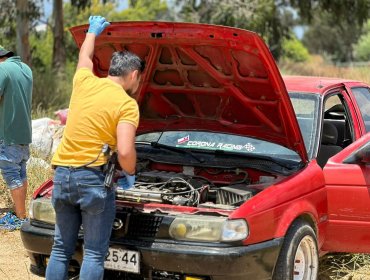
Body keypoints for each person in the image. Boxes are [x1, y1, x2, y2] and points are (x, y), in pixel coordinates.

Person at [45, 16, 145, 280]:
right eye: (139, 80)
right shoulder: (126, 104)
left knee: (60, 249)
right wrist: (131, 172)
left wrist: (92, 32)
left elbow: (85, 59)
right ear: (133, 75)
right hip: (92, 179)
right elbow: (124, 152)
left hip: (62, 176)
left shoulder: (84, 83)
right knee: (93, 253)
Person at [0, 46, 33, 230]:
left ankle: (20, 218)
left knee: (12, 174)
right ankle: (21, 212)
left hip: (8, 133)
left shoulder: (2, 69)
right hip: (24, 133)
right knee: (21, 171)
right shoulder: (25, 68)